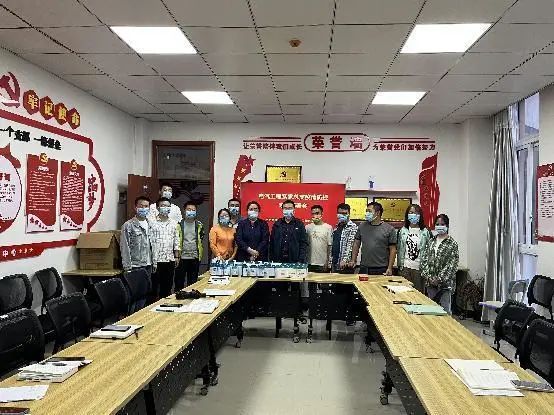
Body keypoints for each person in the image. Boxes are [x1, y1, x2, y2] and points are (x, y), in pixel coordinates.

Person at [421, 214, 459, 314]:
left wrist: (439, 279)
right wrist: (429, 277)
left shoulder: (452, 243)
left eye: (442, 224)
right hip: (430, 283)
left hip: (444, 285)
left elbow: (452, 265)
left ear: (447, 226)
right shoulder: (431, 241)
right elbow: (424, 260)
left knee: (445, 312)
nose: (439, 226)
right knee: (431, 311)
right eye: (437, 224)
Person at [120, 196, 154, 311]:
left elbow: (153, 245)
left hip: (148, 265)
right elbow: (124, 247)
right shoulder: (128, 225)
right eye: (141, 206)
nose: (144, 209)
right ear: (135, 207)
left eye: (146, 206)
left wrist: (154, 263)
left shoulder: (150, 224)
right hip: (135, 266)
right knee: (133, 295)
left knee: (144, 293)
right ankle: (130, 316)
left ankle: (139, 315)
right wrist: (127, 267)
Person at [350, 202, 397, 276]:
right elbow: (356, 244)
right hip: (364, 267)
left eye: (369, 211)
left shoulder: (389, 229)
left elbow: (393, 250)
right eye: (366, 211)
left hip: (381, 268)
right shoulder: (362, 226)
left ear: (378, 213)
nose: (367, 213)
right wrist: (353, 260)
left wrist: (390, 268)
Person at [150, 197, 181, 299]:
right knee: (154, 289)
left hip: (169, 260)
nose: (166, 208)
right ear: (157, 208)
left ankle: (165, 305)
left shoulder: (174, 223)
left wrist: (177, 256)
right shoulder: (151, 222)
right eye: (163, 206)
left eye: (168, 206)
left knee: (167, 288)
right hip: (155, 260)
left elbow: (176, 240)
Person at [396, 204, 431, 293]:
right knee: (404, 293)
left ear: (420, 215)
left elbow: (430, 251)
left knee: (418, 295)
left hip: (419, 269)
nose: (413, 215)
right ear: (407, 215)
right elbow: (398, 248)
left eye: (416, 213)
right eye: (411, 213)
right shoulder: (402, 231)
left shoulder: (426, 232)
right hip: (404, 268)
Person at [177, 201, 204, 289]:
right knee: (179, 281)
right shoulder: (179, 225)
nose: (191, 211)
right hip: (181, 258)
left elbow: (201, 238)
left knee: (192, 282)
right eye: (189, 209)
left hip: (194, 257)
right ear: (184, 211)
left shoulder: (199, 225)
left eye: (193, 210)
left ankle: (191, 297)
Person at [330, 203, 358, 273]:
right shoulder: (336, 227)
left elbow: (350, 245)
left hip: (346, 265)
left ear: (349, 214)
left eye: (344, 213)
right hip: (335, 263)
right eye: (340, 213)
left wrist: (345, 260)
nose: (342, 215)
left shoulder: (353, 227)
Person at [306, 204, 333, 273]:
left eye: (317, 213)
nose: (315, 215)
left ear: (322, 214)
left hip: (323, 264)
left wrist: (328, 262)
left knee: (323, 280)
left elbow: (329, 246)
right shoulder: (307, 228)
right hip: (309, 263)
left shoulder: (328, 228)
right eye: (313, 214)